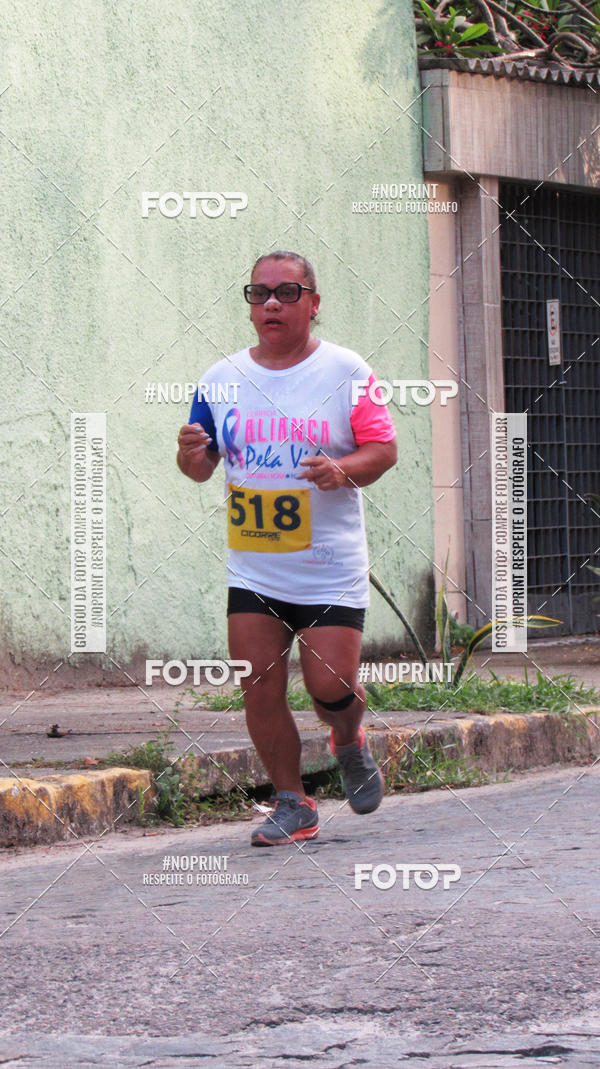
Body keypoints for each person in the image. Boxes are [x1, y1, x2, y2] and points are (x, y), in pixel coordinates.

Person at [177, 251, 397, 846]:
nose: (271, 302)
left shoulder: (346, 370)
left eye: (287, 292)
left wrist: (342, 469)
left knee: (329, 689)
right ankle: (292, 801)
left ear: (314, 303)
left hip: (329, 568)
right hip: (254, 567)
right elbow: (199, 466)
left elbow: (382, 449)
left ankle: (347, 737)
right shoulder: (220, 378)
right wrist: (191, 456)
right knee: (259, 685)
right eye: (259, 293)